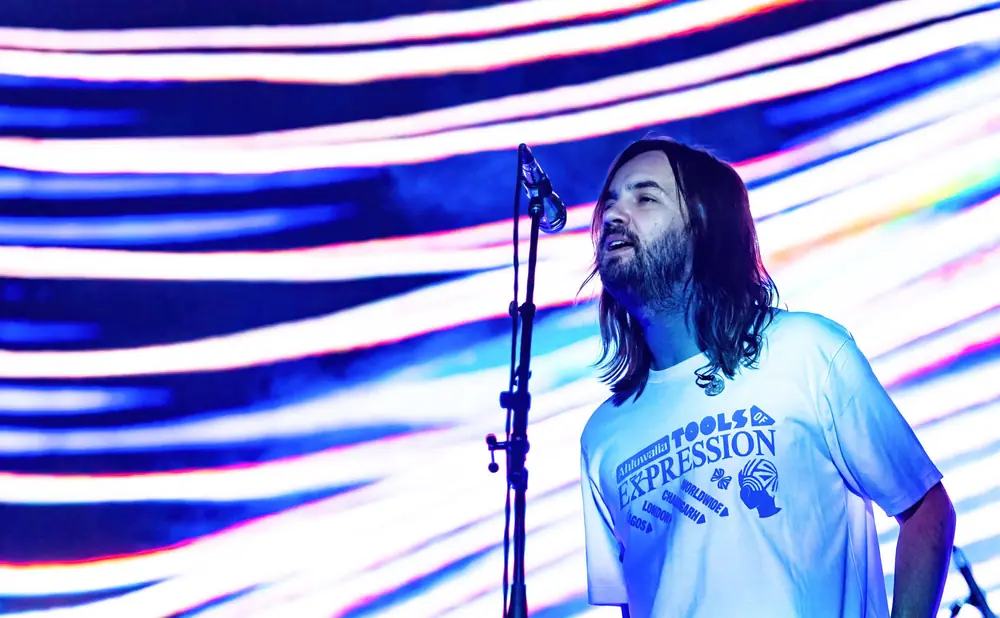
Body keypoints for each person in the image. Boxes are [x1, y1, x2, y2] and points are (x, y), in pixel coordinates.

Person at [578, 136, 956, 618]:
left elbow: (926, 510)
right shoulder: (603, 436)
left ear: (702, 226)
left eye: (645, 198)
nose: (614, 215)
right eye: (609, 203)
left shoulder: (806, 352)